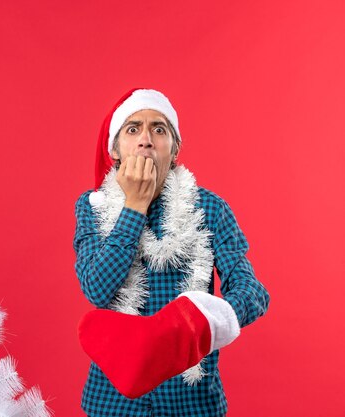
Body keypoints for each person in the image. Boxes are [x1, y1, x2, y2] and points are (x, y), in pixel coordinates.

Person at [73, 88, 270, 417]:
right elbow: (97, 288)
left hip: (191, 401)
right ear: (115, 149)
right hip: (113, 402)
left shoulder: (209, 208)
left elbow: (252, 291)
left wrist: (201, 323)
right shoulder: (93, 208)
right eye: (133, 129)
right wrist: (134, 206)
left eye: (159, 129)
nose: (146, 139)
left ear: (175, 148)